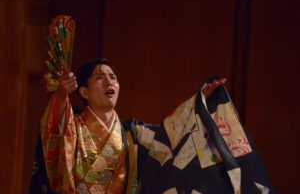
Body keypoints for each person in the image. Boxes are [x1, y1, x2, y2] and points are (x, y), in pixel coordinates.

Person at [30, 59, 274, 194]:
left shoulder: (132, 134)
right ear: (83, 91)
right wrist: (61, 95)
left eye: (113, 76)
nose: (109, 81)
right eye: (100, 77)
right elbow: (54, 132)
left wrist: (199, 104)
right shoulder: (73, 128)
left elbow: (171, 137)